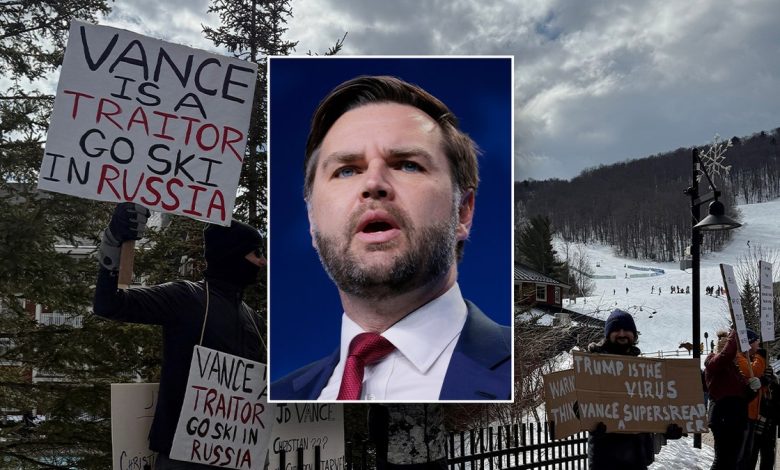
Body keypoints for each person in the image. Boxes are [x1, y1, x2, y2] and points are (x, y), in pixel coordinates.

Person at [270, 75, 511, 401]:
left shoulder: (529, 371)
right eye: (346, 170)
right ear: (312, 220)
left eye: (407, 165)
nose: (373, 183)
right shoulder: (279, 396)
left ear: (463, 212)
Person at [93, 203, 264, 469]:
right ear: (234, 254)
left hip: (237, 455)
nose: (262, 262)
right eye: (256, 253)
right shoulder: (186, 297)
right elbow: (109, 304)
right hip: (183, 457)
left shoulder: (253, 318)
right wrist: (114, 241)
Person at [586, 309, 681, 469]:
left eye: (627, 330)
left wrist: (668, 428)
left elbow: (655, 407)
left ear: (634, 335)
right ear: (608, 334)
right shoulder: (592, 364)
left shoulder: (643, 369)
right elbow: (578, 402)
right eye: (616, 329)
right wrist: (590, 419)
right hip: (605, 456)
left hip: (637, 457)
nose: (622, 333)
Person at [704, 329, 759, 470]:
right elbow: (725, 356)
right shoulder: (713, 363)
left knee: (732, 460)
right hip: (723, 418)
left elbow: (742, 396)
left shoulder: (733, 369)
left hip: (736, 418)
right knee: (723, 460)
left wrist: (753, 389)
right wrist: (735, 333)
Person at [736, 329, 766, 469]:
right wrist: (761, 356)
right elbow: (754, 371)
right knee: (740, 456)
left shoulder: (749, 357)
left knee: (748, 455)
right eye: (755, 341)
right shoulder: (739, 357)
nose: (758, 343)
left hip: (752, 413)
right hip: (744, 414)